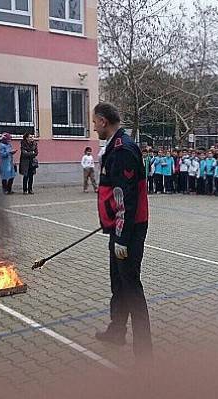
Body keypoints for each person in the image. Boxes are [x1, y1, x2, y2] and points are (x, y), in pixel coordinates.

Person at [93, 103, 151, 361]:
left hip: (129, 229)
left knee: (131, 287)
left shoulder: (123, 149)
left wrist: (122, 237)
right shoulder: (115, 146)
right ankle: (116, 331)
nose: (93, 127)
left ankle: (144, 349)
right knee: (118, 283)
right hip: (118, 226)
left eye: (94, 122)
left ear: (104, 121)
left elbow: (127, 198)